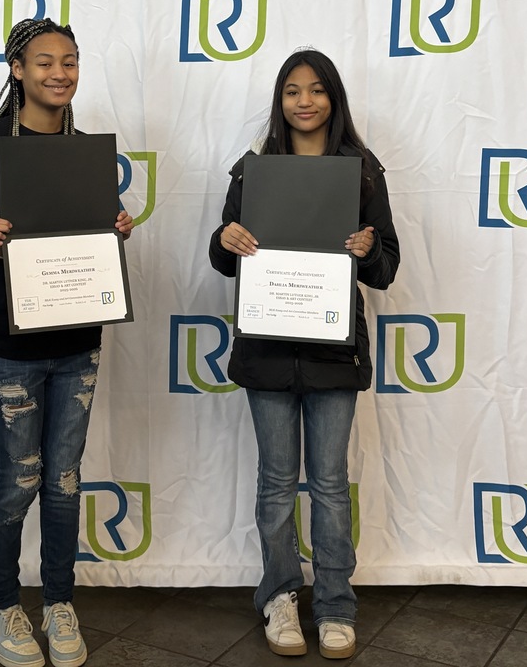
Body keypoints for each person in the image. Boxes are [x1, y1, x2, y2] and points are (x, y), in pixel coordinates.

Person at [0, 18, 133, 667]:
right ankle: (1, 608)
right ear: (17, 70)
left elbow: (88, 236)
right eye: (45, 61)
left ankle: (58, 603)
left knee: (64, 483)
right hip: (8, 350)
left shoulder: (85, 151)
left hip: (78, 342)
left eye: (70, 61)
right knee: (16, 482)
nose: (60, 72)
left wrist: (114, 230)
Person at [208, 49, 399, 660]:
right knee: (275, 483)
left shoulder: (361, 171)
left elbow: (387, 268)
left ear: (333, 98)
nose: (305, 101)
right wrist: (226, 238)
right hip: (266, 350)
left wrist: (367, 249)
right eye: (293, 91)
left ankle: (337, 605)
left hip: (332, 355)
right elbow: (222, 256)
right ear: (280, 100)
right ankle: (281, 597)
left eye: (317, 90)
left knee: (330, 484)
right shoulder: (253, 171)